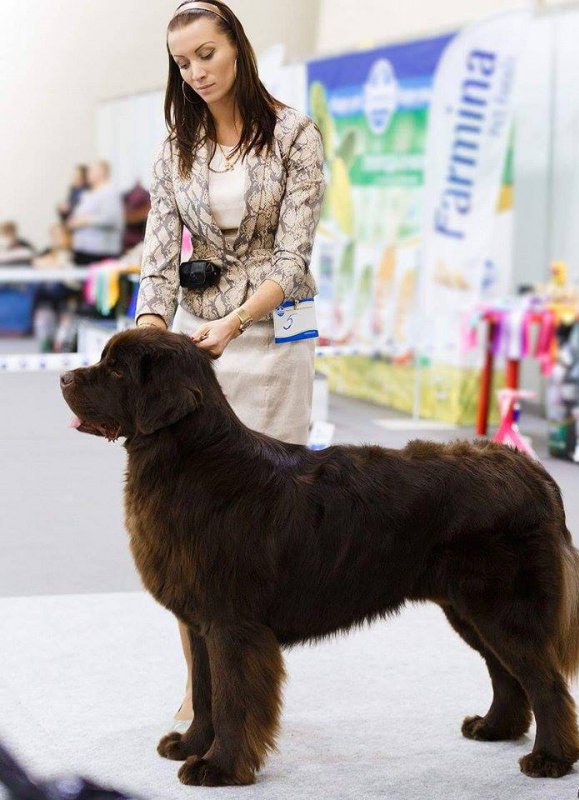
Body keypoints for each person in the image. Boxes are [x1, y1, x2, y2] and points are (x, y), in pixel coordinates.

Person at [134, 0, 325, 725]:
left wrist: (236, 320)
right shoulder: (173, 148)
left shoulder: (295, 137)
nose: (197, 71)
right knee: (187, 533)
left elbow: (293, 261)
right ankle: (202, 689)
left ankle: (247, 683)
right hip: (193, 358)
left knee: (257, 530)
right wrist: (150, 341)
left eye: (207, 54)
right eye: (184, 62)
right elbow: (157, 265)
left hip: (272, 341)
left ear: (237, 47)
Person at [67, 160, 124, 265]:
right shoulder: (88, 193)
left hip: (100, 253)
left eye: (92, 170)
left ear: (102, 172)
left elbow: (110, 219)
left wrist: (84, 221)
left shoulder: (109, 192)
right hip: (83, 251)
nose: (88, 173)